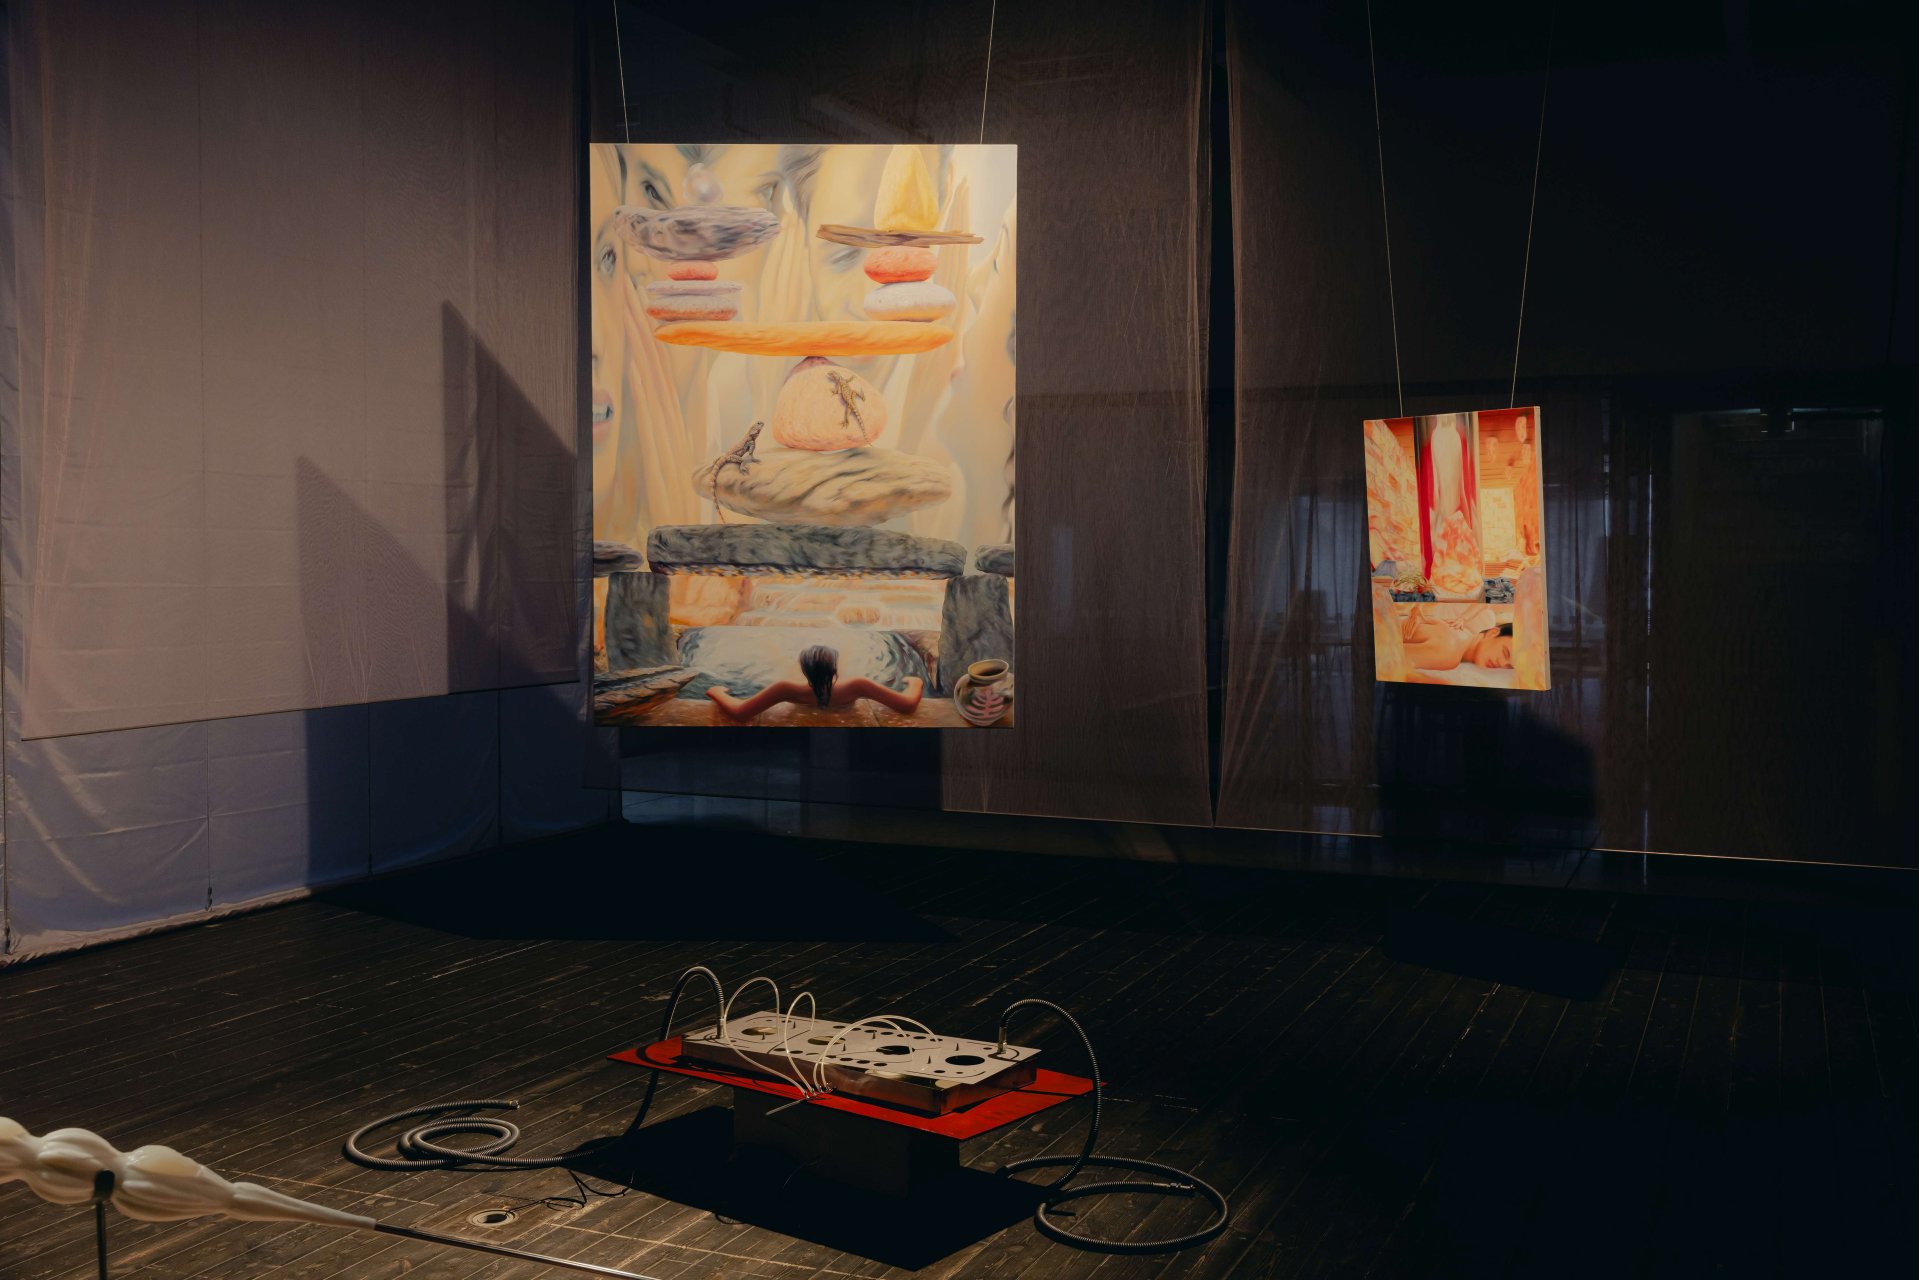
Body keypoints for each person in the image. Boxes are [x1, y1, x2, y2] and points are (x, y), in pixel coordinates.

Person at [706, 645, 925, 721]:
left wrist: (717, 692)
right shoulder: (856, 686)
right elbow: (907, 705)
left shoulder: (786, 689)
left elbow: (740, 713)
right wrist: (914, 683)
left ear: (804, 671)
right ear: (835, 670)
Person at [1398, 613, 1514, 672]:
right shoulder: (1451, 652)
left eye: (1508, 667)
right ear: (1493, 633)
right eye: (1505, 653)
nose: (1502, 664)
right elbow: (1390, 661)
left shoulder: (1457, 633)